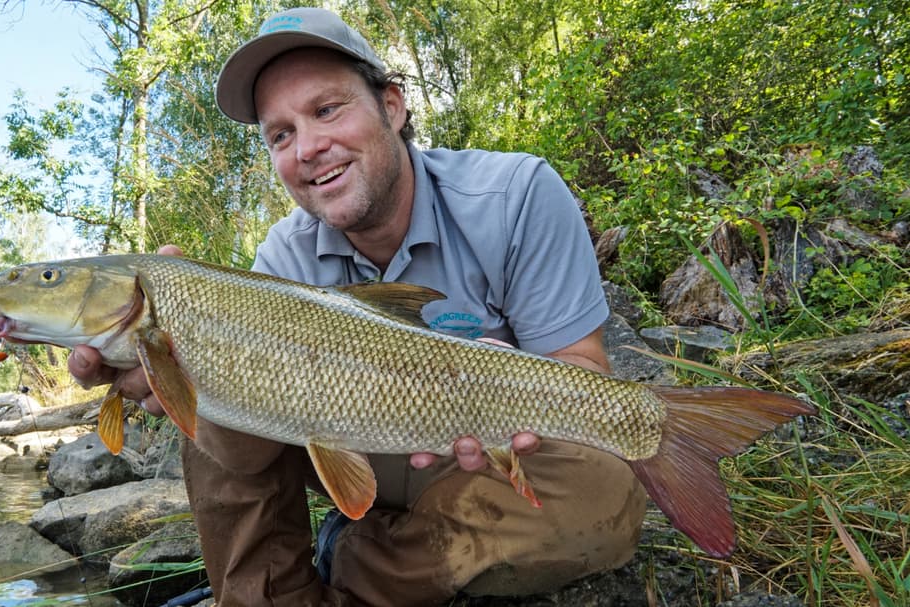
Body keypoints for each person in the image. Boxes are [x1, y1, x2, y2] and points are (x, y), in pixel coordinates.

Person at [70, 7, 646, 606]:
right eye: (280, 135)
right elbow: (246, 459)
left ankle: (357, 565)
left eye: (326, 110)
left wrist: (500, 396)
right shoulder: (282, 255)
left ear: (392, 107)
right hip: (340, 448)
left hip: (470, 464)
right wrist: (181, 376)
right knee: (207, 395)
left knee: (605, 493)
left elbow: (582, 368)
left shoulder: (518, 194)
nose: (309, 148)